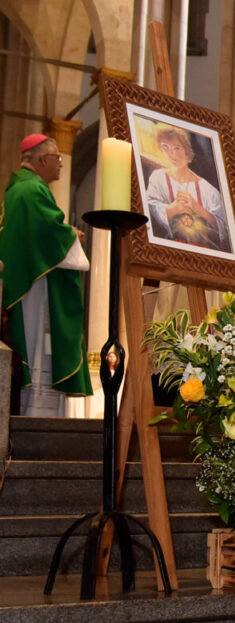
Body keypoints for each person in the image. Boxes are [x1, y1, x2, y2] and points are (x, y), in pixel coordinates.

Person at [0, 134, 92, 415]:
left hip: (34, 283)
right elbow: (46, 233)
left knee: (40, 346)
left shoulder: (24, 188)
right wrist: (72, 235)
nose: (61, 165)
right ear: (42, 159)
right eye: (58, 158)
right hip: (35, 287)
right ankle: (38, 410)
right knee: (40, 349)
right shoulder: (30, 190)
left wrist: (64, 236)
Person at [146, 123, 230, 252]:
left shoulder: (209, 191)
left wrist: (198, 209)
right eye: (165, 147)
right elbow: (150, 207)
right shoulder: (158, 177)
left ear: (187, 151)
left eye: (177, 148)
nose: (172, 154)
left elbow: (224, 230)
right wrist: (171, 209)